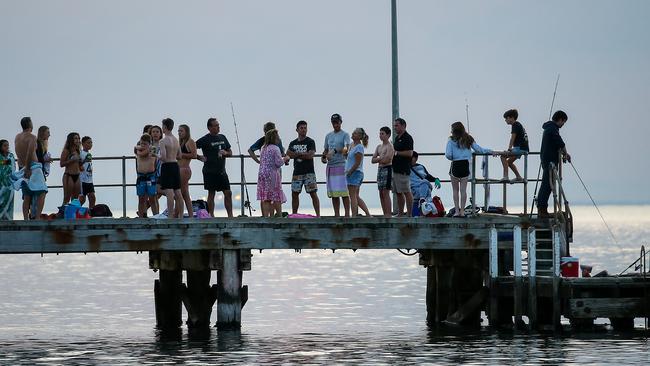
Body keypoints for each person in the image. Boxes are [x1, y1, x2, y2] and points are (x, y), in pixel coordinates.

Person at [445, 121, 493, 217]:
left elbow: (448, 155)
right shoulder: (468, 139)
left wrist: (454, 156)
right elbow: (479, 150)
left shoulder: (450, 140)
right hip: (465, 165)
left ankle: (457, 211)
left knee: (455, 190)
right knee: (463, 190)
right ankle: (462, 212)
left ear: (453, 131)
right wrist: (491, 151)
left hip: (455, 165)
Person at [196, 118, 233, 217]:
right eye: (215, 125)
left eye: (218, 125)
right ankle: (211, 215)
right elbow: (191, 148)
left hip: (221, 171)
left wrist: (226, 152)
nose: (218, 127)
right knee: (211, 193)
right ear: (209, 127)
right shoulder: (205, 139)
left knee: (228, 193)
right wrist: (199, 157)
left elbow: (230, 152)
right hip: (209, 170)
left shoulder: (222, 137)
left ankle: (230, 216)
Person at [537, 110, 570, 218]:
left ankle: (542, 209)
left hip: (547, 160)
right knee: (547, 185)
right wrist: (566, 153)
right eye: (563, 122)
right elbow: (560, 142)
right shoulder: (552, 129)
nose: (563, 125)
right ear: (560, 119)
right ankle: (542, 210)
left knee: (547, 185)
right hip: (550, 161)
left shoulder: (549, 128)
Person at [14, 117, 47, 220]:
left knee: (27, 194)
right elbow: (30, 152)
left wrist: (23, 167)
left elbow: (18, 153)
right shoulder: (32, 137)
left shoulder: (17, 137)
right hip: (33, 167)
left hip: (22, 167)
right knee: (42, 191)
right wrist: (28, 168)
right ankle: (37, 217)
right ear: (30, 124)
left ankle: (25, 219)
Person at [286, 120, 320, 216]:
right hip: (297, 172)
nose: (303, 130)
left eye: (305, 128)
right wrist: (302, 154)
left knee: (313, 193)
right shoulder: (292, 143)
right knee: (295, 193)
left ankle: (318, 215)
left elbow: (310, 155)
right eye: (301, 128)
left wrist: (296, 155)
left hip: (309, 172)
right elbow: (288, 154)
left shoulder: (310, 141)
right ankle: (294, 214)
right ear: (297, 130)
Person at [321, 113, 351, 217]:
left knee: (344, 192)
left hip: (341, 165)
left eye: (337, 122)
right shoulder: (328, 135)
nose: (335, 124)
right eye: (334, 122)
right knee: (334, 193)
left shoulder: (345, 135)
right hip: (331, 166)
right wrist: (323, 157)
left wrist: (335, 150)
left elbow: (347, 148)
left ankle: (347, 214)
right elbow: (325, 149)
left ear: (340, 122)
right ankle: (336, 214)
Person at [256, 128, 289, 217]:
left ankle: (266, 217)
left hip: (262, 174)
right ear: (274, 138)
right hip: (272, 174)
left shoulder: (263, 148)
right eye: (277, 136)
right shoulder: (275, 148)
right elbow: (278, 163)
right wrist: (286, 158)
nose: (279, 138)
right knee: (276, 196)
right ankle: (279, 216)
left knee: (266, 197)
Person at [158, 118, 184, 218]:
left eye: (162, 126)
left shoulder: (163, 141)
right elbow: (180, 156)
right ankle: (181, 216)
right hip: (175, 166)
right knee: (178, 192)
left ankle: (170, 216)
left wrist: (156, 155)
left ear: (164, 127)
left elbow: (163, 157)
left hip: (167, 166)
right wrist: (172, 155)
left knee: (169, 192)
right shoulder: (176, 140)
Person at [345, 128, 371, 217]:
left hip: (355, 173)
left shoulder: (359, 147)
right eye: (353, 132)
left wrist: (350, 172)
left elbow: (357, 162)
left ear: (359, 136)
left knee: (352, 196)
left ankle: (354, 216)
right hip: (353, 172)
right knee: (355, 196)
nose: (353, 133)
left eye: (355, 133)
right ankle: (368, 214)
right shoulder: (352, 145)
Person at [392, 118, 415, 217]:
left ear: (403, 125)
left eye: (397, 125)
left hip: (403, 169)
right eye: (394, 125)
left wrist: (397, 153)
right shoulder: (397, 138)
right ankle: (400, 213)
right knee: (398, 192)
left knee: (406, 191)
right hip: (395, 168)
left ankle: (409, 214)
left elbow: (410, 153)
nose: (395, 127)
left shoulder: (408, 138)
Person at [500, 109, 529, 182]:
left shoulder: (515, 125)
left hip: (519, 148)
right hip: (524, 148)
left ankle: (506, 176)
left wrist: (509, 149)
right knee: (509, 162)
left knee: (503, 156)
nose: (505, 120)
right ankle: (518, 177)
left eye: (506, 118)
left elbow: (512, 137)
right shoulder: (519, 125)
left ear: (512, 117)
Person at [371, 126, 394, 217]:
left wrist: (379, 158)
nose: (380, 135)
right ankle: (384, 212)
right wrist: (381, 158)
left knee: (385, 192)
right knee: (380, 192)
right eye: (380, 133)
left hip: (387, 169)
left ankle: (388, 213)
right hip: (380, 169)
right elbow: (372, 160)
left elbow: (387, 160)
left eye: (382, 134)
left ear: (388, 135)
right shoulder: (379, 147)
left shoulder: (390, 146)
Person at [410, 151, 441, 216]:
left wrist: (436, 179)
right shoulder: (406, 167)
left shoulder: (421, 167)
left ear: (416, 158)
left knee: (424, 182)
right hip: (414, 189)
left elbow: (428, 176)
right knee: (426, 186)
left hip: (423, 186)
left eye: (412, 157)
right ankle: (424, 203)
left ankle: (422, 201)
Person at [135, 134, 158, 218]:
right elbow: (137, 150)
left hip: (150, 176)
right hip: (141, 177)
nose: (142, 145)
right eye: (141, 143)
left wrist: (144, 149)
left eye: (145, 144)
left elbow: (146, 153)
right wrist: (140, 147)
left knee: (152, 198)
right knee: (141, 198)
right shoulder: (138, 149)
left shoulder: (153, 149)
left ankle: (156, 216)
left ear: (149, 143)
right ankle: (142, 216)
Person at [178, 124, 197, 218]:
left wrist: (182, 155)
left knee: (181, 193)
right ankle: (190, 215)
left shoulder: (190, 141)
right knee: (185, 193)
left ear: (186, 132)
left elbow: (194, 155)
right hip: (179, 169)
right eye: (178, 131)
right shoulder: (180, 142)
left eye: (181, 131)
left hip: (184, 169)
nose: (179, 133)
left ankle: (177, 214)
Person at [60, 132, 82, 205]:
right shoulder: (66, 151)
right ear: (71, 140)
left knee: (75, 198)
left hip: (77, 175)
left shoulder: (78, 151)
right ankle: (63, 214)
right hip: (68, 175)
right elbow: (61, 164)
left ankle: (73, 214)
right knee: (66, 197)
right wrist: (72, 160)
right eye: (75, 138)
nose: (78, 140)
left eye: (79, 138)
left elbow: (79, 165)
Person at [78, 136, 96, 208]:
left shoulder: (88, 154)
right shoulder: (80, 153)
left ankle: (91, 213)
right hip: (82, 179)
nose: (90, 144)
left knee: (92, 198)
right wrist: (84, 161)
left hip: (89, 179)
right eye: (88, 143)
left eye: (91, 143)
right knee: (82, 199)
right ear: (83, 143)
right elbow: (78, 165)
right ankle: (75, 211)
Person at [0, 140, 16, 220]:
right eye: (4, 145)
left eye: (7, 145)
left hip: (9, 182)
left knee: (9, 200)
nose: (7, 147)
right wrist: (6, 162)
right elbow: (2, 163)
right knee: (1, 200)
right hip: (1, 183)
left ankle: (9, 218)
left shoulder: (11, 155)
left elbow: (13, 166)